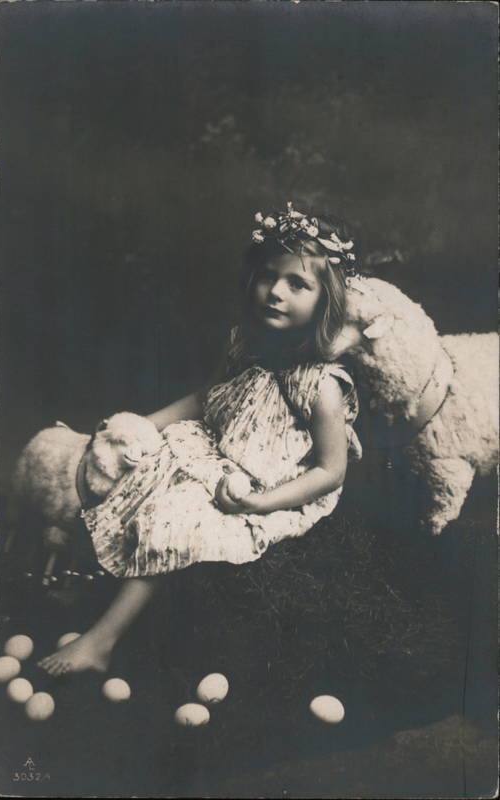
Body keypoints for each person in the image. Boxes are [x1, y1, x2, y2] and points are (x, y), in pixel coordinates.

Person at [38, 202, 362, 676]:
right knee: (137, 466)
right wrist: (143, 424)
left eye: (298, 284)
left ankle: (102, 641)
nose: (275, 292)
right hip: (209, 446)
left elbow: (330, 472)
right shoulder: (244, 343)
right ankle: (76, 571)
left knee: (173, 515)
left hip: (263, 481)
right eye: (268, 275)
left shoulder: (323, 385)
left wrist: (262, 503)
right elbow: (206, 399)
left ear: (325, 301)